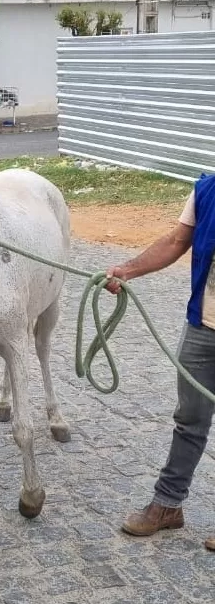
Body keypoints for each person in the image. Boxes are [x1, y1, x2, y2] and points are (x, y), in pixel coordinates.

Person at [106, 177, 215, 552]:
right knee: (189, 420)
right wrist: (127, 270)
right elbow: (175, 241)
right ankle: (168, 505)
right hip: (204, 326)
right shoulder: (207, 191)